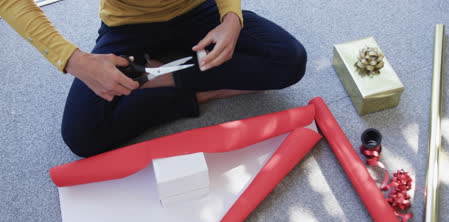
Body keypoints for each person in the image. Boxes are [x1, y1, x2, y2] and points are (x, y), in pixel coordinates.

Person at [0, 0, 307, 157]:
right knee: (81, 135)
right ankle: (198, 84)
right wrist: (74, 61)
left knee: (289, 60)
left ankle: (171, 78)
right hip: (128, 29)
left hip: (199, 12)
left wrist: (231, 17)